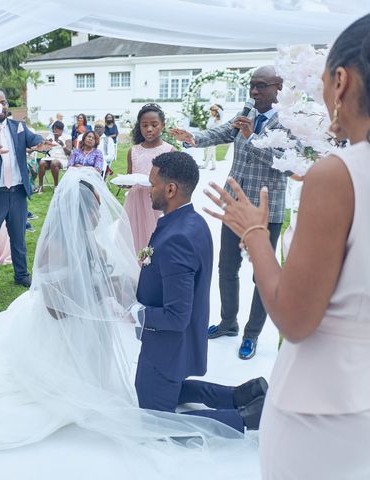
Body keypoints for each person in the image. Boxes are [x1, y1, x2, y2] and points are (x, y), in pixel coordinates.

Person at [0, 168, 253, 472]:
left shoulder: (87, 238)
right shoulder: (56, 246)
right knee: (145, 410)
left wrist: (117, 289)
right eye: (95, 210)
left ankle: (240, 398)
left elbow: (103, 275)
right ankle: (242, 410)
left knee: (152, 398)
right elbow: (56, 307)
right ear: (79, 212)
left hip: (95, 329)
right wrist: (97, 297)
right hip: (63, 330)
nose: (100, 217)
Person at [204, 14, 370, 478]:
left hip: (328, 408)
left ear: (341, 81)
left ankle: (249, 333)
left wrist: (254, 233)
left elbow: (296, 319)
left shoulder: (340, 175)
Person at [134, 151, 267, 433]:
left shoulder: (176, 238)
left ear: (171, 189)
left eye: (152, 183)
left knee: (155, 419)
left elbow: (176, 316)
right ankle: (240, 395)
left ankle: (246, 419)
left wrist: (136, 313)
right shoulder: (192, 222)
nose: (149, 190)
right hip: (179, 346)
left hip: (166, 348)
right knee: (172, 390)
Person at [170, 66, 289, 360]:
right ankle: (228, 322)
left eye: (261, 86)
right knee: (226, 268)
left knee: (261, 275)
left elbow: (285, 162)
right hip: (234, 204)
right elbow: (223, 131)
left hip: (265, 210)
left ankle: (251, 335)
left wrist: (251, 138)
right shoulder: (246, 111)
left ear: (279, 88)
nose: (254, 91)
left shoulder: (290, 122)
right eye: (252, 85)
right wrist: (194, 138)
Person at [0, 88, 53, 305]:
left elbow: (34, 140)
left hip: (17, 193)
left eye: (2, 101)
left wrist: (41, 145)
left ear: (6, 104)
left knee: (19, 237)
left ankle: (21, 275)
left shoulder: (19, 127)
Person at [124, 104, 175, 254]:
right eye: (144, 125)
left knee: (156, 240)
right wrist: (125, 184)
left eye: (154, 125)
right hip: (135, 202)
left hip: (158, 204)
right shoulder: (133, 151)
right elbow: (130, 177)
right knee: (134, 239)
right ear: (139, 126)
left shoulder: (169, 151)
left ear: (163, 125)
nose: (149, 129)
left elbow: (173, 183)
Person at [37, 120, 71, 193]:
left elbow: (69, 152)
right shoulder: (50, 136)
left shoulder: (67, 137)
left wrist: (63, 145)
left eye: (57, 129)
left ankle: (56, 186)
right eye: (54, 129)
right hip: (49, 158)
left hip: (62, 159)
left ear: (61, 130)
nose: (55, 130)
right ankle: (40, 186)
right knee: (41, 162)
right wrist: (45, 144)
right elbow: (43, 149)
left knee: (54, 163)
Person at [200, 105, 223, 170]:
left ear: (216, 111)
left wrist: (217, 108)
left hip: (214, 137)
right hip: (210, 135)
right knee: (212, 151)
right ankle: (213, 166)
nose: (211, 112)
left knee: (209, 151)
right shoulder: (211, 118)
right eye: (211, 111)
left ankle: (205, 165)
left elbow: (209, 126)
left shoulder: (218, 119)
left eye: (212, 111)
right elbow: (208, 126)